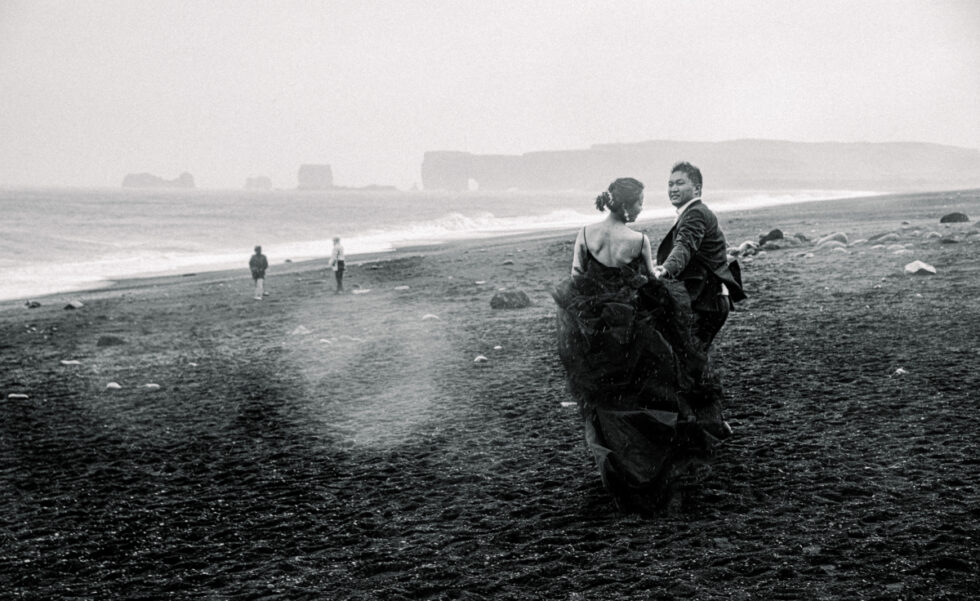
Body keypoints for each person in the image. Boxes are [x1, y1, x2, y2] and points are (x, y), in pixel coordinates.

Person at [553, 177, 725, 513]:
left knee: (601, 398)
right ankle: (649, 465)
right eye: (640, 203)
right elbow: (650, 282)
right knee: (653, 388)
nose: (641, 208)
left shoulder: (586, 234)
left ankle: (615, 469)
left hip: (595, 331)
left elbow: (576, 277)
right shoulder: (639, 240)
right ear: (628, 205)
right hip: (633, 330)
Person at [654, 161, 744, 349]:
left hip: (707, 301)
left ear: (696, 189)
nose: (673, 189)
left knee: (688, 358)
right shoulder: (696, 212)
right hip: (709, 298)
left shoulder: (694, 214)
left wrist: (665, 269)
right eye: (670, 184)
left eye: (679, 183)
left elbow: (684, 247)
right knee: (692, 357)